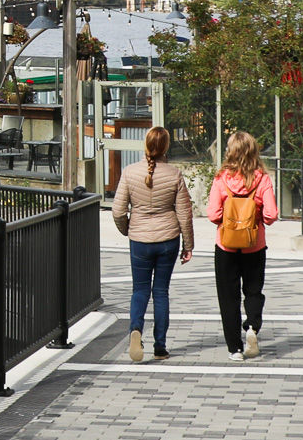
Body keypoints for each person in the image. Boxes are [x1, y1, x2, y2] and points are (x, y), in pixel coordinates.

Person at [111, 126, 195, 362]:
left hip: (139, 240)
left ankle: (136, 329)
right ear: (166, 147)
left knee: (139, 290)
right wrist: (188, 245)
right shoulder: (175, 174)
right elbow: (185, 214)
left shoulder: (129, 172)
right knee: (161, 292)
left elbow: (118, 211)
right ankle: (160, 346)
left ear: (145, 145)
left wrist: (129, 230)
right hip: (168, 239)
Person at [207, 131, 278, 362]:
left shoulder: (221, 178)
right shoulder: (262, 179)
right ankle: (252, 327)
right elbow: (271, 214)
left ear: (231, 151)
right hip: (254, 245)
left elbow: (213, 214)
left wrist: (228, 221)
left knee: (228, 297)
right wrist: (255, 218)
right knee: (253, 291)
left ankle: (234, 349)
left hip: (226, 245)